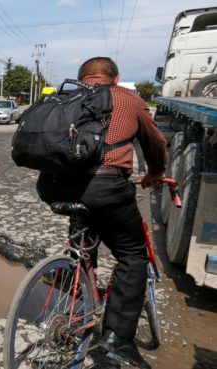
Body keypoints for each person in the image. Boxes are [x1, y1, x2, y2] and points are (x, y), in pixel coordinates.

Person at [35, 57, 167, 369]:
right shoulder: (127, 99)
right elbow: (155, 143)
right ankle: (117, 338)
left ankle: (77, 292)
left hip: (53, 187)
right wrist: (155, 173)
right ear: (115, 78)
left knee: (83, 247)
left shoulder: (65, 97)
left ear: (81, 77)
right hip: (106, 187)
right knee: (134, 255)